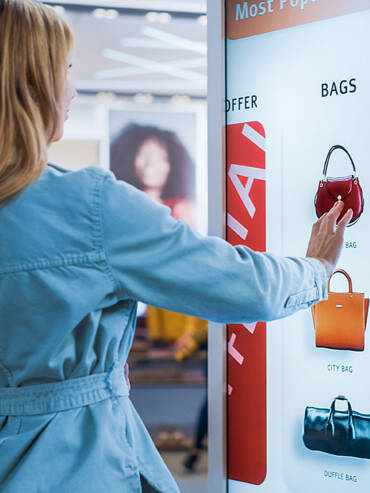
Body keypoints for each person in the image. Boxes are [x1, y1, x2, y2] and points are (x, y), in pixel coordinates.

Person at [0, 1, 352, 493]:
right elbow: (238, 283)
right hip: (75, 463)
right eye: (67, 71)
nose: (73, 89)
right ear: (33, 85)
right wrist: (316, 268)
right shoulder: (90, 207)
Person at [111, 123, 206, 346]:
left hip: (175, 308)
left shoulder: (180, 209)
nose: (150, 165)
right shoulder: (124, 208)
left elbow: (192, 265)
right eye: (143, 156)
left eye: (161, 157)